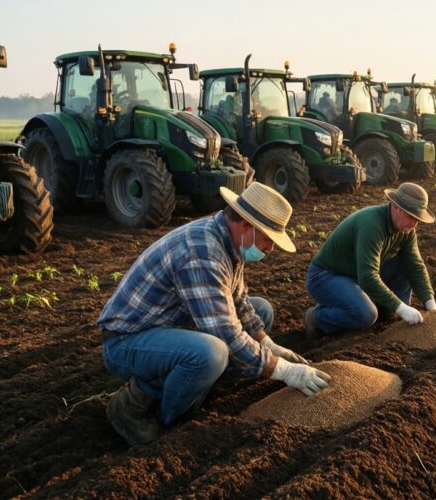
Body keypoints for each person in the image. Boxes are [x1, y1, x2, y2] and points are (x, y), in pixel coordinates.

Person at [97, 183, 331, 446]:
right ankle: (152, 413)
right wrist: (286, 371)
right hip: (127, 341)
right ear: (245, 225)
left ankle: (202, 384)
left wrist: (267, 343)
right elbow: (226, 333)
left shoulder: (229, 242)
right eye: (268, 238)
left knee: (261, 310)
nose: (271, 249)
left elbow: (239, 301)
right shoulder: (203, 253)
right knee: (211, 353)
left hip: (173, 323)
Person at [305, 182, 436, 338]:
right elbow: (368, 276)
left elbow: (415, 266)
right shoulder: (371, 224)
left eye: (418, 219)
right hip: (327, 275)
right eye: (412, 216)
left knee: (405, 265)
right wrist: (401, 308)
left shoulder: (406, 229)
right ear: (396, 207)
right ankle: (316, 318)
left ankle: (384, 310)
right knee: (366, 315)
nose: (415, 224)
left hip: (356, 273)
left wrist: (431, 305)